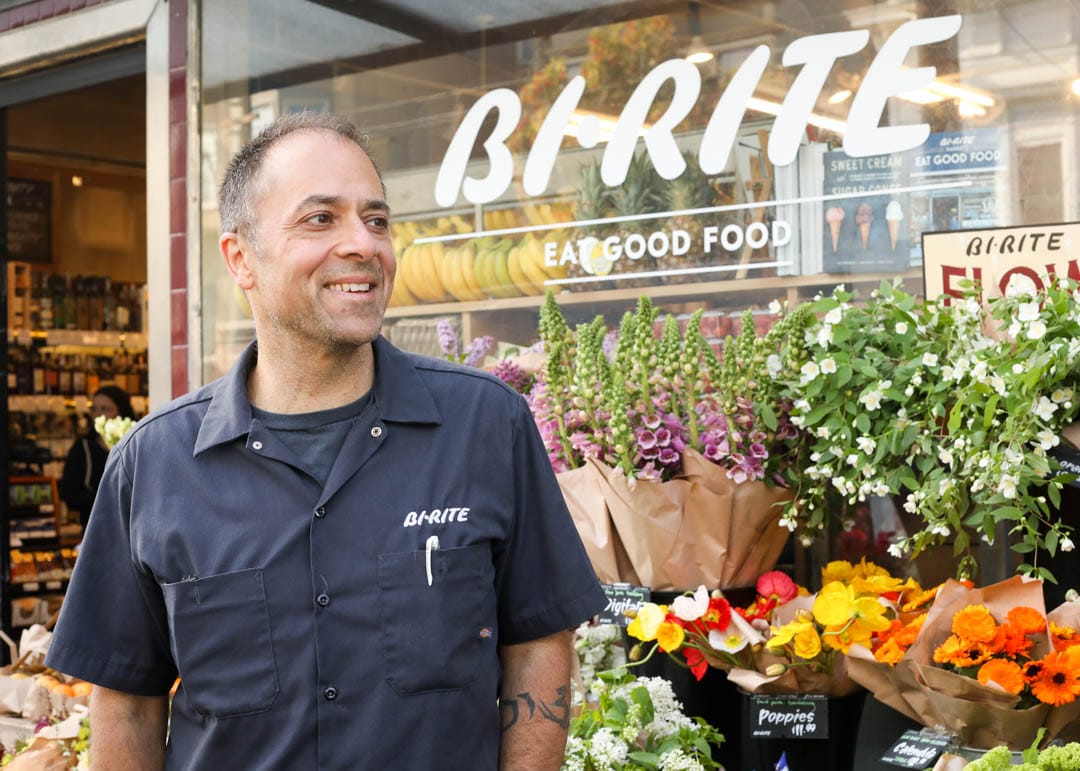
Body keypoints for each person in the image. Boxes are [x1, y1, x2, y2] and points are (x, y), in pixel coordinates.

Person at [46, 112, 606, 770]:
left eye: (376, 219)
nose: (363, 243)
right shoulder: (153, 465)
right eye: (321, 219)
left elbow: (539, 643)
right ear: (240, 258)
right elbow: (128, 700)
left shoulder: (488, 425)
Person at [57, 385, 134, 529]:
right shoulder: (83, 448)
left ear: (122, 412)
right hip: (95, 529)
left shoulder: (133, 445)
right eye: (94, 409)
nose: (98, 415)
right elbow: (70, 494)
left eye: (105, 409)